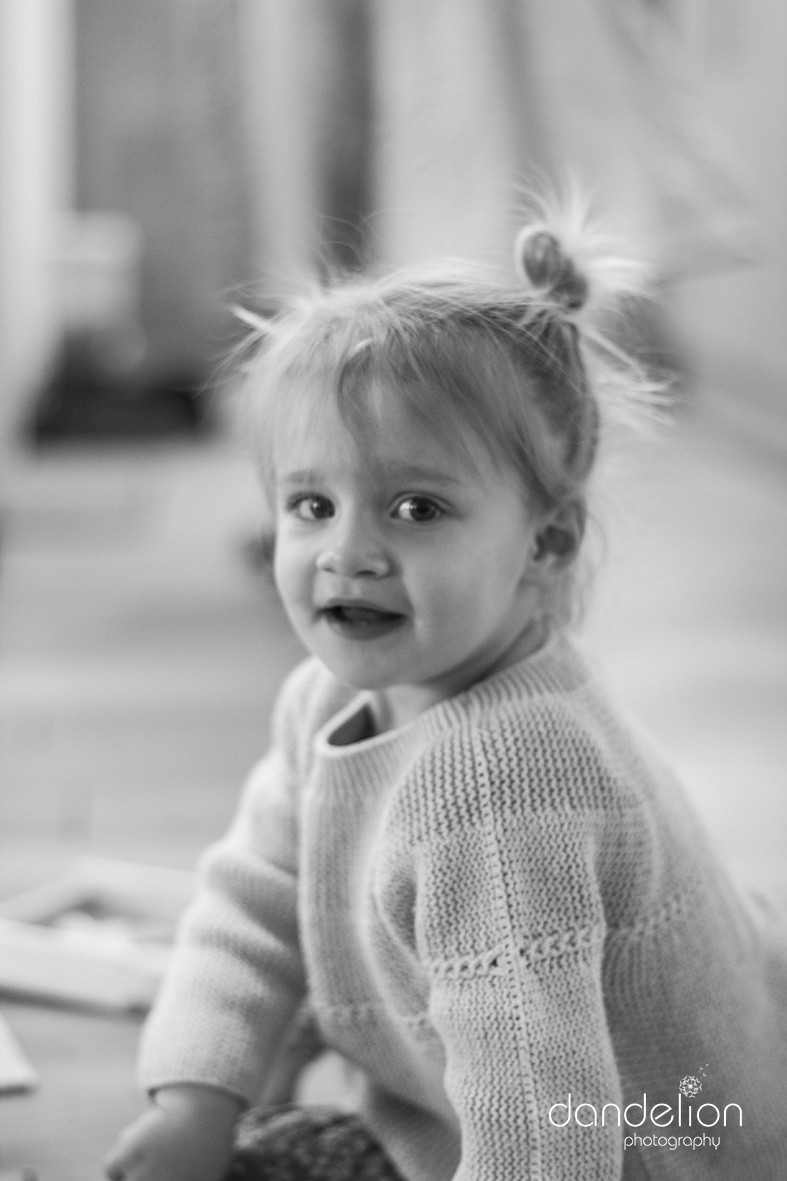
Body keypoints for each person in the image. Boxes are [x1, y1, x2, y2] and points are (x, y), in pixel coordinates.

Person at [104, 202, 787, 1181]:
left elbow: (545, 1137)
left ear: (546, 541)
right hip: (463, 1122)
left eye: (415, 507)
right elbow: (254, 908)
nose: (347, 552)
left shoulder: (505, 782)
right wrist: (196, 1103)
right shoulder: (320, 701)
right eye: (311, 503)